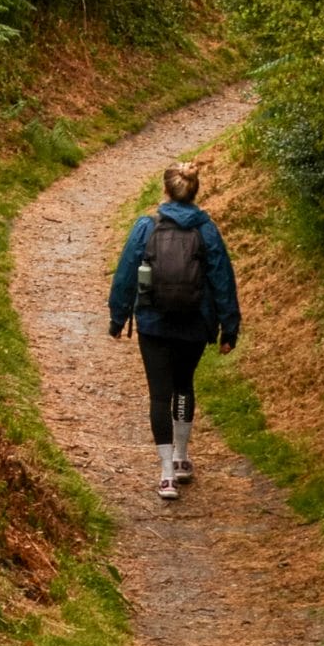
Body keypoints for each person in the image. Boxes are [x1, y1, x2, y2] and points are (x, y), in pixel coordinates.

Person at [108, 162, 240, 501]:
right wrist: (229, 327)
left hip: (154, 322)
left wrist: (118, 316)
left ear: (165, 190)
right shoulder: (207, 230)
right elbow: (222, 278)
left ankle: (166, 475)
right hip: (195, 323)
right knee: (184, 385)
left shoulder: (146, 226)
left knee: (158, 396)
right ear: (195, 191)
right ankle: (182, 458)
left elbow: (126, 274)